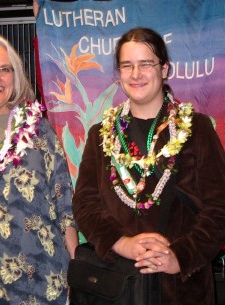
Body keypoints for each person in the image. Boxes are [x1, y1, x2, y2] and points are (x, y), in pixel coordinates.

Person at [72, 27, 225, 305]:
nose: (136, 74)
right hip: (118, 284)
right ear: (118, 74)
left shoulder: (197, 129)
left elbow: (219, 208)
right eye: (127, 65)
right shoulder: (100, 134)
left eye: (146, 64)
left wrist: (181, 256)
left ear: (164, 69)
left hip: (181, 287)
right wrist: (122, 243)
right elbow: (86, 204)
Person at [0, 34, 78, 305]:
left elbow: (64, 202)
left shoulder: (39, 129)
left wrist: (75, 269)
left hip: (44, 275)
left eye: (4, 69)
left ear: (15, 76)